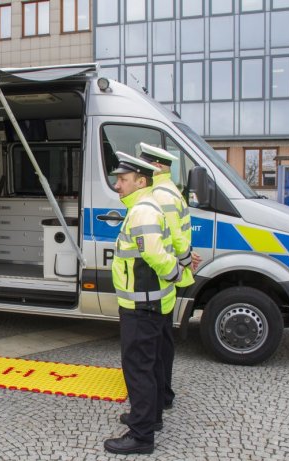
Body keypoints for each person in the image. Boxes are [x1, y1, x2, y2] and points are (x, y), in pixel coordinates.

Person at [104, 152, 183, 456]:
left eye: (123, 180)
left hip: (141, 307)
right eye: (118, 179)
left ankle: (141, 437)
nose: (117, 185)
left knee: (139, 369)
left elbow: (154, 254)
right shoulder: (145, 206)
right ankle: (148, 418)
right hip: (148, 304)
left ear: (141, 180)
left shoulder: (143, 211)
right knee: (148, 366)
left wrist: (176, 272)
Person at [134, 142, 202, 412]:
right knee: (163, 342)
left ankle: (159, 399)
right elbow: (179, 234)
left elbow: (171, 235)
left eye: (143, 165)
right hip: (171, 274)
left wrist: (183, 261)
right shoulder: (169, 189)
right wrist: (186, 257)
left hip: (161, 275)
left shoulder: (159, 194)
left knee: (157, 346)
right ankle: (164, 395)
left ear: (157, 167)